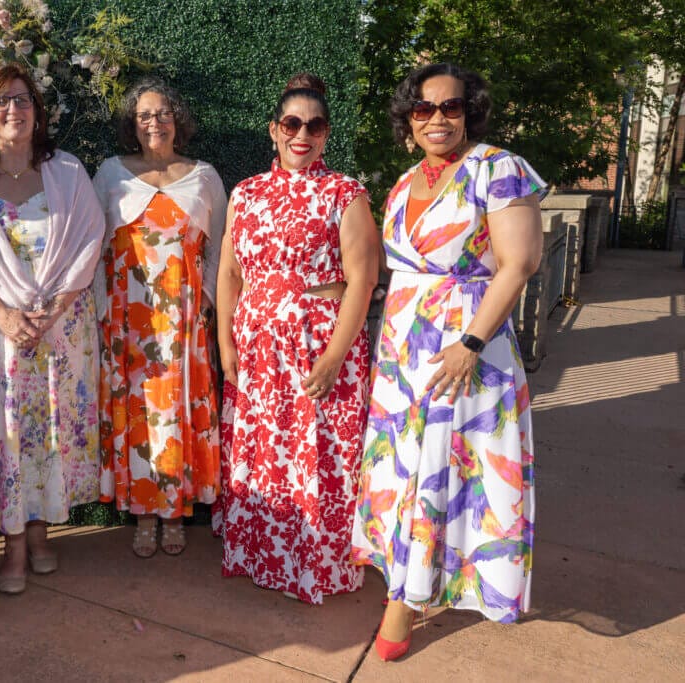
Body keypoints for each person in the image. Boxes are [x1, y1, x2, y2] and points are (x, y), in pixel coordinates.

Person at [350, 62, 545, 661]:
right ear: (408, 120)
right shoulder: (404, 181)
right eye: (422, 109)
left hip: (466, 347)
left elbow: (519, 263)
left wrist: (471, 344)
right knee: (405, 467)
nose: (436, 118)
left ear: (470, 111)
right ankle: (408, 578)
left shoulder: (497, 168)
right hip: (402, 348)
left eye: (450, 107)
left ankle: (405, 603)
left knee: (448, 470)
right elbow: (393, 269)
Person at [215, 74, 380, 604]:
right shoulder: (245, 192)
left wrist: (334, 357)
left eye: (315, 125)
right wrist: (225, 346)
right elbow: (229, 275)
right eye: (292, 123)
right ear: (274, 130)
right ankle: (261, 555)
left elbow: (363, 279)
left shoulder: (345, 193)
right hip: (257, 349)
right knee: (264, 453)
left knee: (316, 455)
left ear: (327, 134)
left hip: (318, 348)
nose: (302, 134)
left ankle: (312, 565)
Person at [0, 65, 105, 595]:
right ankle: (12, 544)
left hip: (58, 331)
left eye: (22, 100)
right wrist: (7, 316)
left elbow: (87, 244)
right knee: (5, 436)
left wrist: (49, 313)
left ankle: (40, 536)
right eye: (1, 102)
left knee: (47, 434)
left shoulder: (69, 172)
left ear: (37, 110)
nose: (14, 110)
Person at [92, 78, 226, 558]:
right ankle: (143, 514)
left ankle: (174, 512)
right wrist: (99, 309)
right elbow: (92, 245)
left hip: (183, 321)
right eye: (145, 114)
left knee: (175, 414)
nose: (155, 122)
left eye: (164, 113)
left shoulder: (204, 176)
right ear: (133, 123)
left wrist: (207, 301)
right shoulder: (111, 173)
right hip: (128, 320)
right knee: (139, 415)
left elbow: (222, 250)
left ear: (178, 121)